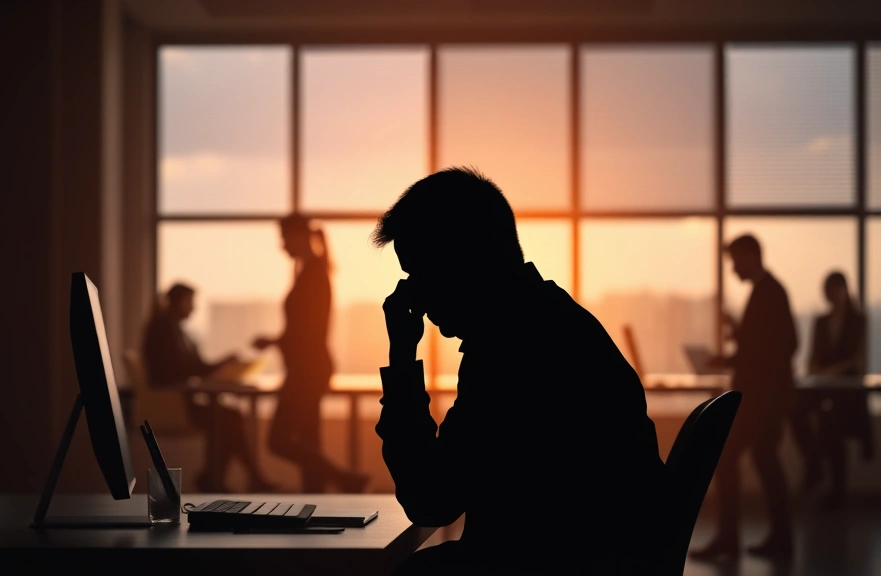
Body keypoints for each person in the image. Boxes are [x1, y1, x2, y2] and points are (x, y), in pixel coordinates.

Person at [371, 167, 664, 574]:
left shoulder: (509, 351)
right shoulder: (554, 320)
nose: (415, 295)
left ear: (463, 260)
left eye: (420, 273)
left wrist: (402, 355)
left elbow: (430, 500)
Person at [690, 234, 796, 561]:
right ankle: (776, 539)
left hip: (759, 401)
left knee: (731, 460)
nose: (733, 270)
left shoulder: (770, 293)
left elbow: (780, 346)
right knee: (765, 462)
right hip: (763, 399)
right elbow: (763, 345)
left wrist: (731, 352)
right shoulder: (768, 292)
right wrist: (737, 338)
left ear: (750, 256)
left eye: (735, 262)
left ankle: (731, 540)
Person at [253, 214, 370, 493]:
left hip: (307, 370)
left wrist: (277, 342)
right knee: (307, 441)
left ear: (299, 236)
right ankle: (322, 498)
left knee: (278, 441)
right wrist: (276, 341)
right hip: (309, 368)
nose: (282, 246)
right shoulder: (312, 271)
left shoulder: (313, 274)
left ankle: (345, 479)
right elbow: (303, 328)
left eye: (284, 238)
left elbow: (308, 331)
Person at [142, 282, 276, 493]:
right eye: (190, 303)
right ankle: (228, 478)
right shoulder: (163, 330)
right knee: (227, 419)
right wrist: (217, 367)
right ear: (177, 303)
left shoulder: (176, 331)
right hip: (175, 405)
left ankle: (216, 478)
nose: (193, 308)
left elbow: (194, 367)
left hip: (183, 401)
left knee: (228, 417)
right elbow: (177, 370)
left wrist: (224, 363)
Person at [804, 271, 873, 508]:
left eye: (834, 290)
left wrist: (832, 371)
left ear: (844, 291)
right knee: (802, 413)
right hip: (825, 388)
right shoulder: (821, 322)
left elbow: (858, 360)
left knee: (831, 426)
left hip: (846, 392)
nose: (831, 296)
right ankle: (819, 472)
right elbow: (812, 357)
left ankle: (827, 483)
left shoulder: (858, 321)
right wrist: (817, 370)